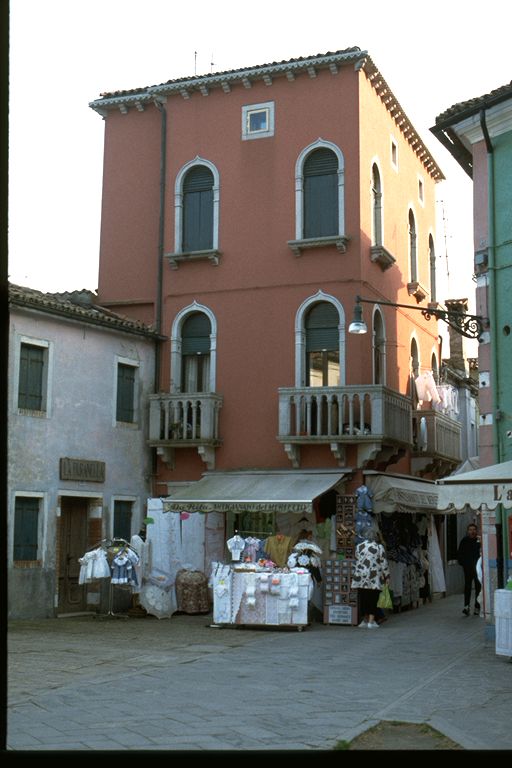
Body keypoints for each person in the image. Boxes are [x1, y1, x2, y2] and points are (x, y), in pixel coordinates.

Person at [350, 527, 390, 629]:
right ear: (374, 536)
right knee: (373, 598)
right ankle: (371, 622)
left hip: (361, 577)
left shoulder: (359, 546)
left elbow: (356, 560)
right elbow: (383, 563)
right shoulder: (379, 547)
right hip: (374, 578)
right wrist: (387, 576)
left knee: (363, 598)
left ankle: (364, 620)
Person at [457, 523, 481, 616]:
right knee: (467, 587)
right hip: (467, 568)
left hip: (477, 568)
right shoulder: (464, 541)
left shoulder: (479, 541)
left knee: (478, 587)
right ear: (468, 531)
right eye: (470, 529)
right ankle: (466, 606)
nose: (472, 531)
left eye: (474, 529)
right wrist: (463, 563)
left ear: (476, 531)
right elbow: (460, 553)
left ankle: (477, 607)